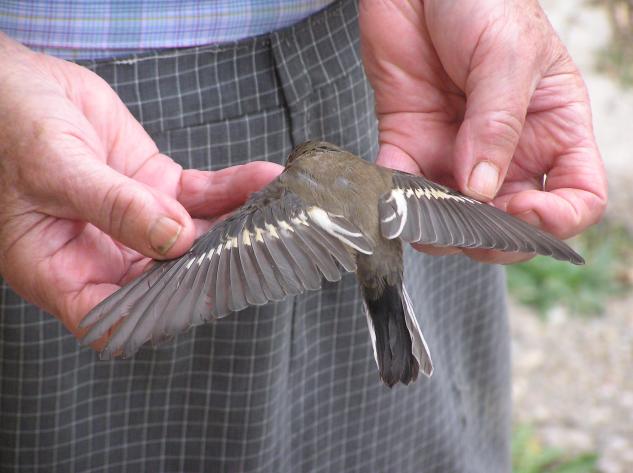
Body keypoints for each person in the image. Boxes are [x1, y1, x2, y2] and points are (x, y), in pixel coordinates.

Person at [0, 0, 607, 472]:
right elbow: (453, 207)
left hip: (366, 48)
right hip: (61, 96)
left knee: (416, 447)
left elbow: (214, 258)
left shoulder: (281, 201)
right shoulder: (389, 177)